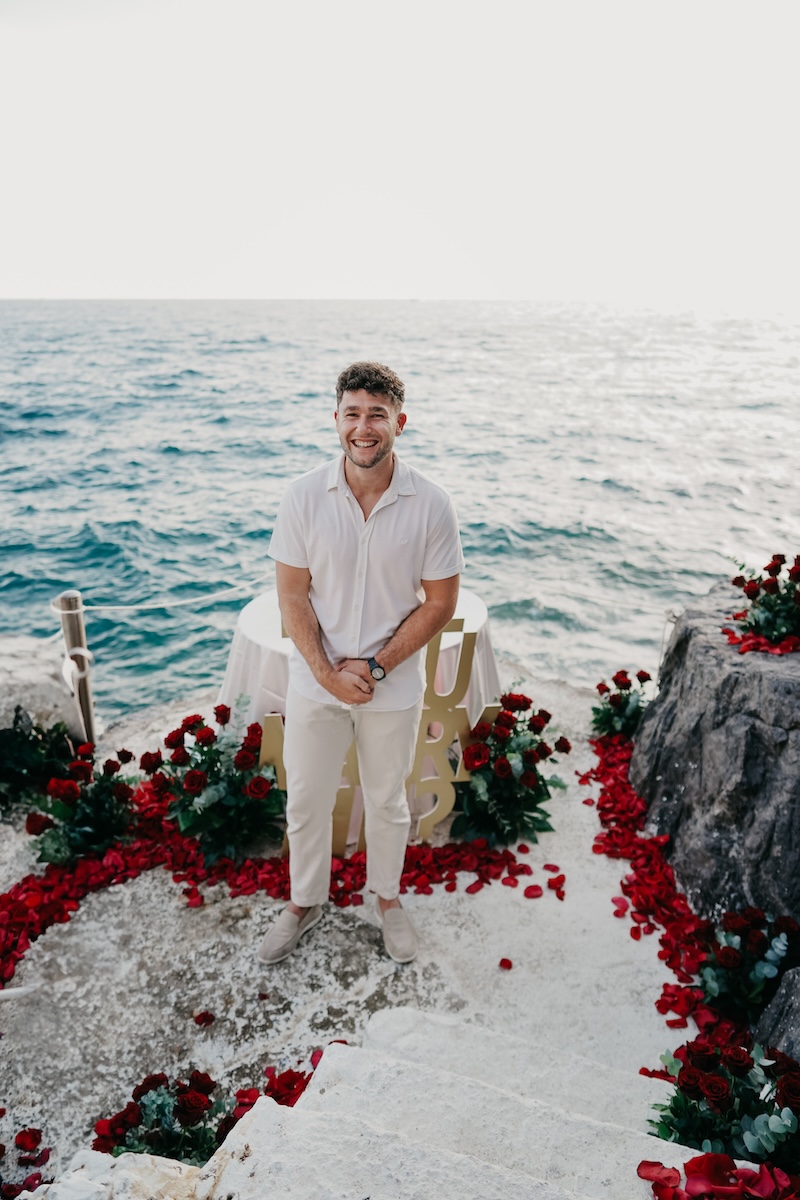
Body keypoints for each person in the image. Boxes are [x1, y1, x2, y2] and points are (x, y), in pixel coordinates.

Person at [258, 361, 464, 965]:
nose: (364, 427)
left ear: (401, 421)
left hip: (391, 686)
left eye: (377, 414)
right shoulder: (302, 497)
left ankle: (387, 899)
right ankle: (304, 901)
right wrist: (328, 674)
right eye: (353, 413)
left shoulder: (432, 505)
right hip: (314, 681)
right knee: (306, 800)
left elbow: (441, 603)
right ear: (336, 420)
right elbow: (292, 596)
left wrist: (374, 668)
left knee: (389, 800)